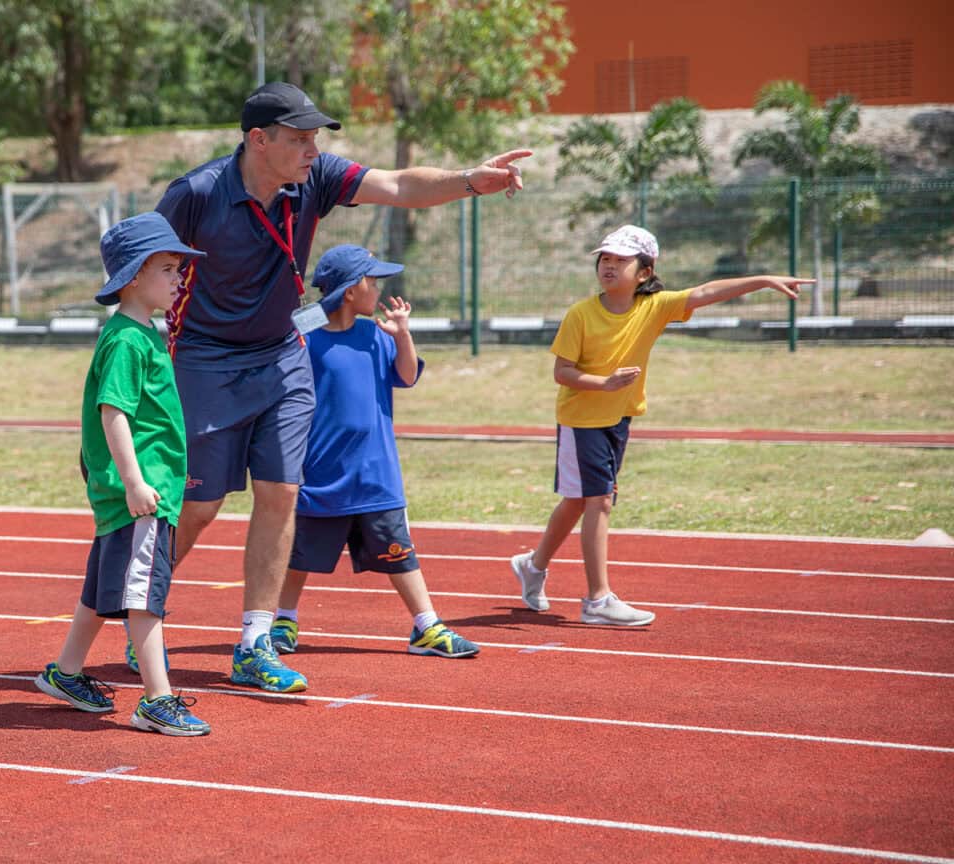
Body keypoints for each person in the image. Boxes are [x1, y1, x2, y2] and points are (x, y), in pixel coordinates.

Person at [154, 81, 528, 692]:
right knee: (199, 507)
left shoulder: (316, 178)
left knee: (279, 494)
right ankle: (140, 609)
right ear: (257, 139)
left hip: (281, 357)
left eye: (315, 139)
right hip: (205, 362)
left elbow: (401, 185)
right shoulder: (195, 194)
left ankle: (255, 643)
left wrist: (469, 180)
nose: (312, 149)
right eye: (299, 139)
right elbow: (142, 266)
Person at [510, 225, 811, 626]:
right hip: (581, 419)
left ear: (645, 272)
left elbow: (706, 292)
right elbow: (562, 372)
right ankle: (597, 600)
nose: (609, 266)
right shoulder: (581, 314)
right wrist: (604, 383)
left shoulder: (655, 307)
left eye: (621, 260)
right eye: (605, 259)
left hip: (617, 418)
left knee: (580, 501)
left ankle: (533, 564)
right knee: (598, 501)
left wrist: (762, 281)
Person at [33, 212, 211, 736]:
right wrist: (135, 481)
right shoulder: (129, 340)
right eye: (169, 268)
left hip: (135, 490)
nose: (179, 278)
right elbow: (114, 411)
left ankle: (66, 672)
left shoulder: (139, 332)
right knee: (143, 595)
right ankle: (157, 699)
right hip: (142, 492)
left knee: (102, 590)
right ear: (135, 275)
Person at [271, 244, 480, 660]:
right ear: (351, 290)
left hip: (375, 473)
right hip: (320, 474)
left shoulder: (375, 335)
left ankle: (427, 626)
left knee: (399, 552)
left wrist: (402, 332)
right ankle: (283, 620)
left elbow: (406, 375)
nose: (380, 287)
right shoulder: (304, 338)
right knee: (300, 556)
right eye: (373, 280)